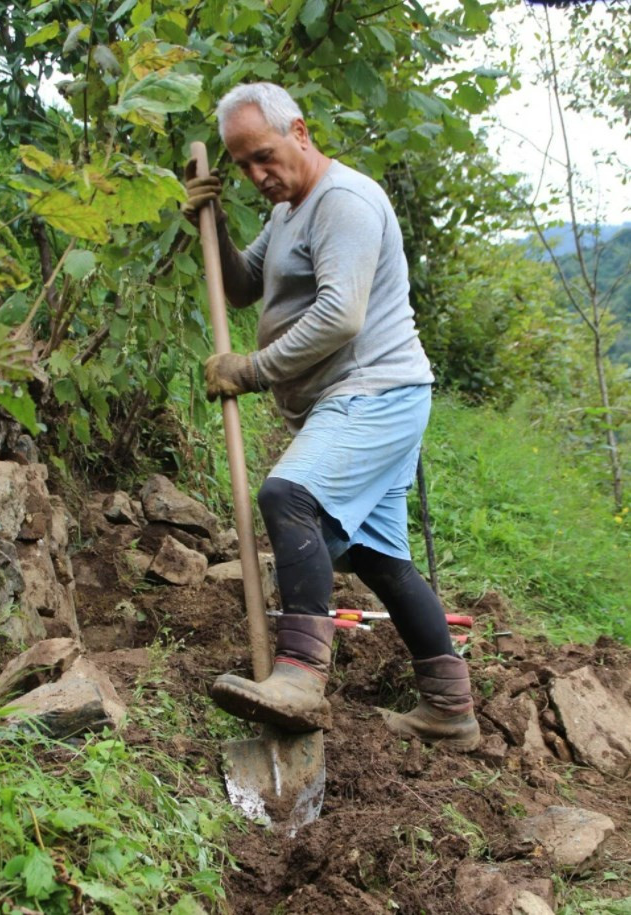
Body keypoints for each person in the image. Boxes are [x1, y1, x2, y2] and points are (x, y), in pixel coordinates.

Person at [183, 82, 480, 751]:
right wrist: (212, 225)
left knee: (289, 495)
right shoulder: (289, 208)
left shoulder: (341, 202)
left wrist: (251, 369)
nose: (257, 175)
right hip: (354, 398)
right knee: (380, 559)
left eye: (263, 156)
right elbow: (240, 283)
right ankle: (449, 708)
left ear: (299, 132)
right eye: (242, 166)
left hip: (374, 391)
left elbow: (339, 316)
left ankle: (297, 677)